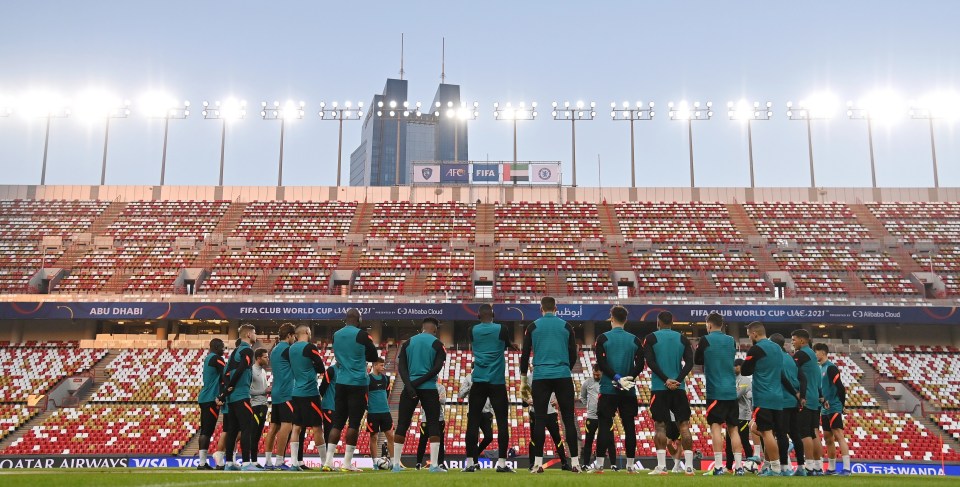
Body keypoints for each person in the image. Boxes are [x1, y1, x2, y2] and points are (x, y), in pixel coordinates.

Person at [519, 297, 581, 474]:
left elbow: (525, 355)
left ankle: (538, 464)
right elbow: (572, 353)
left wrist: (524, 377)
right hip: (562, 374)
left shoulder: (533, 326)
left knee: (539, 419)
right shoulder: (566, 326)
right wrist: (565, 368)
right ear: (556, 308)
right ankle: (575, 463)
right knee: (568, 419)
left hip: (541, 376)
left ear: (541, 309)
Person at [462, 304, 516, 473]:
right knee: (502, 423)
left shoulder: (472, 330)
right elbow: (506, 344)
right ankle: (501, 463)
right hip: (497, 382)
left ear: (478, 316)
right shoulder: (503, 329)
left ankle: (470, 463)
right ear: (493, 314)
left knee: (472, 422)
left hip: (478, 380)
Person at [325, 309, 381, 472]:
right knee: (354, 424)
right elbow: (373, 356)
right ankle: (346, 464)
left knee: (337, 423)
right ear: (359, 319)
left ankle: (328, 462)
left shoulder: (336, 334)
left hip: (341, 382)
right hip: (357, 382)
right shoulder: (362, 335)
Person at [393, 317, 448, 473]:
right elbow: (436, 368)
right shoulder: (438, 344)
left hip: (409, 388)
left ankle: (396, 465)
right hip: (430, 388)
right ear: (435, 329)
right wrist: (420, 382)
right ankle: (434, 466)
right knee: (433, 425)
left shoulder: (408, 343)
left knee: (402, 424)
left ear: (422, 327)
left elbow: (402, 367)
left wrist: (410, 385)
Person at [593, 305, 643, 474]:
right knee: (629, 427)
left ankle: (599, 465)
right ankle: (630, 466)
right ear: (626, 320)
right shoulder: (635, 340)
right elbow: (641, 364)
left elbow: (602, 364)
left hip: (608, 389)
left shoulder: (603, 338)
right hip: (628, 390)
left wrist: (616, 378)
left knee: (605, 425)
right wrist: (627, 378)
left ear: (611, 318)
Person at [643, 311, 694, 476]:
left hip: (659, 387)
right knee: (684, 426)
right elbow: (690, 362)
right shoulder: (682, 338)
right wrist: (677, 380)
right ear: (672, 322)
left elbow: (650, 362)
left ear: (658, 322)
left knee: (660, 426)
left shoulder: (650, 338)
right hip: (679, 388)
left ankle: (662, 467)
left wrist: (666, 380)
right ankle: (689, 468)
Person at [694, 312, 744, 476]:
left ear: (709, 325)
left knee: (716, 428)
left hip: (715, 392)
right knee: (734, 430)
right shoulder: (731, 340)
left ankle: (717, 466)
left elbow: (697, 359)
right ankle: (739, 467)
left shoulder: (705, 340)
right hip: (731, 391)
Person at [739, 322, 785, 476]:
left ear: (754, 334)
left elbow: (745, 370)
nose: (749, 338)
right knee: (770, 432)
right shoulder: (778, 348)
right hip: (778, 396)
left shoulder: (756, 348)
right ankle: (773, 465)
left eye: (749, 334)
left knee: (766, 433)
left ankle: (775, 468)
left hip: (763, 396)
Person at [284, 324, 327, 472]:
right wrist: (311, 367)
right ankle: (324, 463)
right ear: (308, 332)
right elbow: (321, 368)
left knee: (296, 427)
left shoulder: (290, 349)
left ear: (295, 335)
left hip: (296, 392)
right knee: (317, 428)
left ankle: (295, 463)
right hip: (310, 392)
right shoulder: (310, 348)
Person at [770, 333, 804, 476]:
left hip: (782, 399)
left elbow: (782, 378)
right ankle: (801, 467)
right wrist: (800, 395)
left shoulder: (776, 358)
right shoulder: (791, 358)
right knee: (795, 434)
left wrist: (794, 392)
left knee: (781, 434)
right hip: (793, 401)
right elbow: (802, 377)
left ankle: (784, 467)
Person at [263, 323, 296, 470]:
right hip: (286, 392)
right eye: (293, 336)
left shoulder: (274, 350)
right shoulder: (288, 350)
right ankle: (279, 460)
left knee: (274, 427)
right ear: (289, 335)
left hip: (276, 391)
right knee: (287, 425)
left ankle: (268, 461)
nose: (294, 339)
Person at [792, 330, 824, 476]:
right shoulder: (812, 355)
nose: (792, 342)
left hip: (806, 398)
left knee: (805, 433)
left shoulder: (801, 355)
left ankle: (809, 467)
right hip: (815, 398)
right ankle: (817, 467)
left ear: (802, 341)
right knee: (813, 432)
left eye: (794, 340)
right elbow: (818, 380)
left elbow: (792, 372)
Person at [815, 343, 850, 476]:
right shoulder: (819, 368)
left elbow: (840, 387)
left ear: (823, 352)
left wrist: (841, 405)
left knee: (839, 435)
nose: (815, 354)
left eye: (816, 352)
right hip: (824, 409)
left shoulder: (831, 368)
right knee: (828, 439)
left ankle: (847, 468)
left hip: (834, 406)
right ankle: (831, 468)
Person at [523, 374, 570, 470]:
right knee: (534, 439)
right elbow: (523, 391)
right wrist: (526, 399)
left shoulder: (553, 375)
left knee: (557, 438)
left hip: (551, 413)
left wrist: (557, 400)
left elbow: (561, 390)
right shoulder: (530, 377)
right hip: (535, 412)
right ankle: (532, 464)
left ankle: (564, 463)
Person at [197, 338, 225, 470]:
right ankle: (202, 463)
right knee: (207, 431)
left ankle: (202, 462)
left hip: (205, 397)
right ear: (217, 346)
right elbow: (226, 375)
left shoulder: (209, 358)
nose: (224, 350)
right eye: (223, 347)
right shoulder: (216, 359)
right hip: (210, 398)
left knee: (205, 430)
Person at [579, 365, 614, 470]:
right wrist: (589, 406)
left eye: (598, 374)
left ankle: (613, 465)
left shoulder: (607, 382)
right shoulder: (587, 382)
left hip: (605, 416)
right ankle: (585, 464)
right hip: (591, 417)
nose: (596, 376)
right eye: (594, 374)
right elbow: (582, 396)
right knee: (589, 440)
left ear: (602, 373)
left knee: (609, 440)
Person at [458, 369, 495, 469]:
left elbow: (492, 394)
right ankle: (474, 462)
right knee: (472, 437)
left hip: (486, 413)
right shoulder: (469, 378)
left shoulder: (488, 377)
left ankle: (476, 453)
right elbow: (460, 395)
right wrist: (470, 387)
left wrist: (491, 411)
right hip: (473, 412)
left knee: (489, 437)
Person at [724, 358, 756, 471]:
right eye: (733, 365)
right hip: (732, 415)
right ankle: (728, 467)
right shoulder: (731, 379)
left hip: (743, 415)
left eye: (736, 365)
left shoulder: (745, 380)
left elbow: (735, 395)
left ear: (741, 367)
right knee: (728, 443)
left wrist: (726, 391)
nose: (734, 367)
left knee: (744, 441)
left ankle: (752, 464)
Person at [367, 357, 396, 461]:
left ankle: (393, 462)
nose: (383, 367)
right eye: (381, 365)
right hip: (373, 412)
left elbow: (387, 393)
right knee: (374, 437)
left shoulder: (386, 379)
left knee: (390, 436)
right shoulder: (368, 378)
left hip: (385, 412)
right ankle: (375, 462)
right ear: (374, 365)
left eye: (383, 365)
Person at [416, 385, 447, 468]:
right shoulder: (424, 387)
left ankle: (440, 463)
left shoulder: (440, 387)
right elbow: (421, 401)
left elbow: (443, 400)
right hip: (426, 419)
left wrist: (430, 399)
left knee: (440, 442)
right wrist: (436, 397)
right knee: (422, 441)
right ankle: (418, 463)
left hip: (439, 418)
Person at [249, 348, 270, 468]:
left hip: (263, 406)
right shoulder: (251, 371)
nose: (268, 359)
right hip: (255, 406)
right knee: (254, 434)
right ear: (258, 358)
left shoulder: (263, 371)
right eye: (265, 357)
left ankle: (254, 461)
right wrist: (264, 390)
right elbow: (248, 390)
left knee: (257, 435)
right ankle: (252, 461)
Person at [318, 363, 337, 470]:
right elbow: (322, 388)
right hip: (329, 406)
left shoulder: (345, 370)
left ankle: (329, 462)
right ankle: (327, 462)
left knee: (334, 434)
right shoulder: (331, 370)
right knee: (329, 433)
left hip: (339, 407)